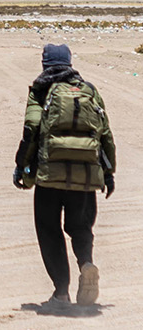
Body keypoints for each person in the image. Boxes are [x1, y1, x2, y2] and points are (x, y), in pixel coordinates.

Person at [13, 42, 116, 310]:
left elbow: (32, 128)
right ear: (70, 63)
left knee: (49, 230)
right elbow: (105, 134)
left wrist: (21, 166)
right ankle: (86, 263)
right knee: (81, 227)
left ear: (45, 63)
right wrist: (108, 173)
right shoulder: (88, 90)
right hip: (85, 174)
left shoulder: (41, 89)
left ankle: (61, 293)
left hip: (49, 175)